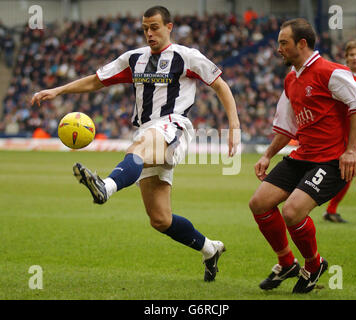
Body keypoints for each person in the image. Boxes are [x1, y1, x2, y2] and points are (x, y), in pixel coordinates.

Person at [31, 6, 241, 282]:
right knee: (160, 219)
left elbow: (220, 85)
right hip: (147, 129)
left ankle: (105, 187)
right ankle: (209, 249)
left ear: (169, 27)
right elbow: (97, 81)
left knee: (139, 148)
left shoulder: (187, 57)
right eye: (145, 28)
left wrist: (234, 126)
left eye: (154, 27)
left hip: (173, 125)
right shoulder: (134, 59)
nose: (149, 33)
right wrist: (58, 90)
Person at [249, 18, 356, 294]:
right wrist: (267, 154)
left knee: (291, 212)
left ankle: (314, 265)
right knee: (259, 203)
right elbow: (287, 126)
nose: (278, 48)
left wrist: (351, 150)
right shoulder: (291, 78)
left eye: (283, 43)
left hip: (331, 160)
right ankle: (287, 263)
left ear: (301, 44)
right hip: (303, 155)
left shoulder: (331, 72)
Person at [324, 40, 356, 223]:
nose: (355, 58)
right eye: (351, 55)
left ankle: (331, 209)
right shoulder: (342, 75)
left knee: (351, 172)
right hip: (348, 129)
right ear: (346, 57)